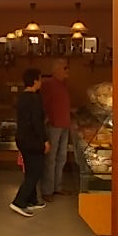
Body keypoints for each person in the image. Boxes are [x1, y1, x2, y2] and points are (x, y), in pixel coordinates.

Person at [10, 68, 50, 217]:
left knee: (30, 170)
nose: (41, 82)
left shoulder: (22, 97)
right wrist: (45, 140)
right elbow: (37, 122)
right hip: (32, 140)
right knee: (36, 171)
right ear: (34, 81)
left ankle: (32, 200)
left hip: (22, 139)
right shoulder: (34, 98)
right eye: (40, 79)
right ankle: (19, 201)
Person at [40, 58, 71, 201]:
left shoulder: (63, 85)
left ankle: (57, 187)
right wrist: (48, 120)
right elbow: (44, 104)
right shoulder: (48, 84)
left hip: (65, 125)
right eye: (65, 68)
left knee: (62, 158)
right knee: (50, 159)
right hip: (54, 125)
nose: (67, 70)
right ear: (56, 70)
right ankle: (47, 190)